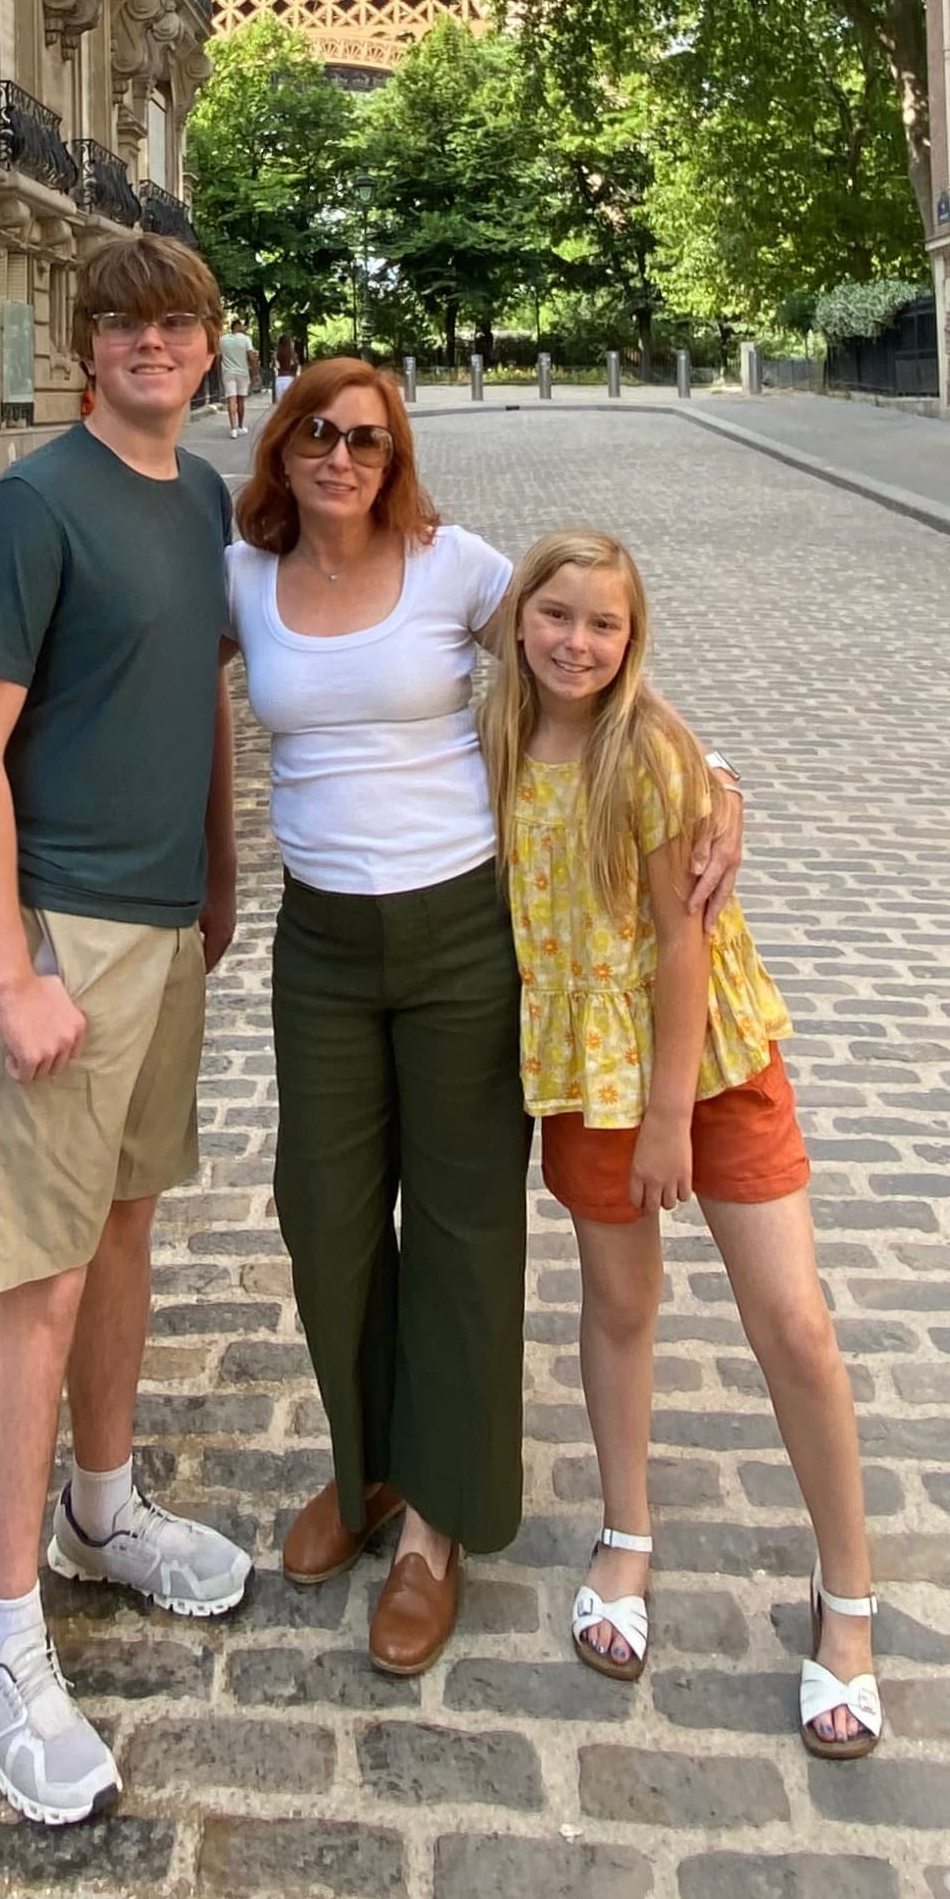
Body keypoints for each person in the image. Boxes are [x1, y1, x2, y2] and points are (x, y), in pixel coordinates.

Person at [230, 359, 742, 1677]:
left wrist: (714, 773)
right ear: (282, 451)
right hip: (324, 946)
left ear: (395, 458)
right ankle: (368, 1471)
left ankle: (435, 1530)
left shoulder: (455, 566)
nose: (341, 457)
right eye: (317, 435)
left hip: (463, 936)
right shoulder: (243, 577)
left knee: (461, 1230)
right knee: (325, 1214)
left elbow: (589, 642)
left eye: (366, 440)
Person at [0, 232, 249, 1827]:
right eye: (119, 320)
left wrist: (218, 866)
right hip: (51, 922)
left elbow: (200, 689)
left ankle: (101, 1517)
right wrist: (13, 971)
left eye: (172, 321)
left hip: (155, 920)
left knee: (123, 1228)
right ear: (85, 346)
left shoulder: (197, 497)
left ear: (208, 348)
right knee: (35, 1281)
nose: (147, 342)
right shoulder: (34, 506)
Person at [483, 525, 879, 1753]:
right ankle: (626, 1533)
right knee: (618, 1309)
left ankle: (850, 1594)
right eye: (557, 616)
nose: (577, 642)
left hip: (703, 1064)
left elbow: (684, 940)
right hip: (584, 1079)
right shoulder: (495, 732)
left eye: (604, 624)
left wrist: (668, 1120)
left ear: (634, 638)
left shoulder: (644, 752)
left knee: (794, 1322)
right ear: (519, 621)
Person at [217, 318, 256, 433]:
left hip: (228, 372)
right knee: (241, 400)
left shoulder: (222, 340)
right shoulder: (245, 339)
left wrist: (219, 373)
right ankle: (240, 426)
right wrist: (255, 372)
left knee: (231, 400)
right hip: (242, 373)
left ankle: (233, 428)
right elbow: (251, 357)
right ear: (239, 326)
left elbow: (218, 358)